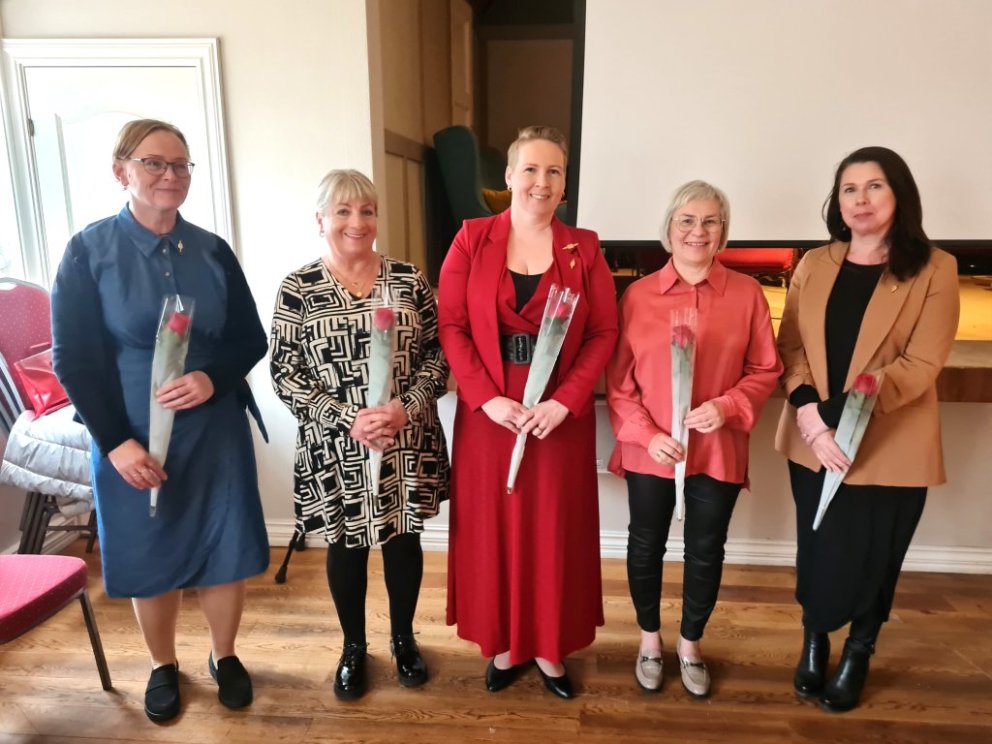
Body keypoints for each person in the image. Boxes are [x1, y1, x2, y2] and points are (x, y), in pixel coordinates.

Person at [51, 119, 270, 722]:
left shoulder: (212, 250)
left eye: (180, 164)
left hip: (214, 429)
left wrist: (212, 378)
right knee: (149, 547)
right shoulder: (87, 252)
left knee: (226, 545)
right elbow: (72, 359)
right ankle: (162, 664)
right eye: (154, 163)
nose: (170, 175)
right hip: (129, 433)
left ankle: (225, 655)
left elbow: (249, 338)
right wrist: (116, 443)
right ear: (121, 171)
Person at [775, 146, 960, 713]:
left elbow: (920, 365)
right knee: (818, 546)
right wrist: (809, 414)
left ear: (900, 194)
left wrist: (830, 415)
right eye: (849, 189)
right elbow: (791, 347)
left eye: (874, 186)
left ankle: (859, 649)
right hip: (813, 441)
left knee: (878, 556)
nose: (860, 199)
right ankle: (814, 637)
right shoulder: (814, 263)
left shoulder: (936, 268)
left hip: (890, 444)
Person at [437, 125, 618, 699]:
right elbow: (452, 325)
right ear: (509, 176)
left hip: (557, 416)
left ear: (564, 185)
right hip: (491, 410)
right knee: (495, 527)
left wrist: (566, 402)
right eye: (532, 169)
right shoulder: (471, 239)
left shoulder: (584, 248)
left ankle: (549, 645)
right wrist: (486, 398)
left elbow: (604, 332)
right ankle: (506, 642)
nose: (542, 181)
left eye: (554, 171)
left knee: (552, 530)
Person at [270, 169, 449, 701]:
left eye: (367, 211)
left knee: (403, 540)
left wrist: (405, 408)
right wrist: (346, 416)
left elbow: (440, 355)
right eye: (343, 211)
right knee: (345, 546)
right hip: (335, 445)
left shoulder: (409, 280)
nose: (357, 222)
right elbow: (284, 373)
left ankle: (403, 639)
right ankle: (353, 647)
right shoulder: (299, 288)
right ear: (320, 219)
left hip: (403, 440)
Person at [605, 180, 782, 697]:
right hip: (651, 452)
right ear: (669, 227)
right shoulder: (637, 297)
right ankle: (649, 640)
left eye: (709, 221)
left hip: (717, 449)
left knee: (706, 550)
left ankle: (690, 645)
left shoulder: (747, 295)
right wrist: (646, 435)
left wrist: (726, 407)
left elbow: (765, 369)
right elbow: (619, 384)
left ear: (723, 231)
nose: (697, 231)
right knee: (645, 546)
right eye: (686, 220)